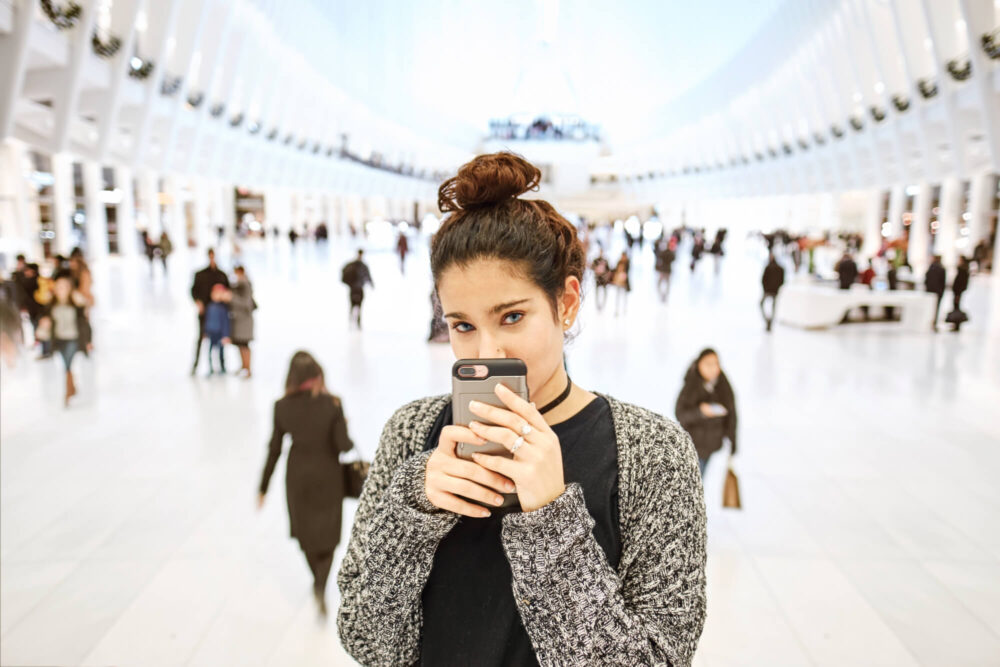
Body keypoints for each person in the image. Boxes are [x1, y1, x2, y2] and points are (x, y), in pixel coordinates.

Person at [337, 152, 707, 665]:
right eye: (462, 325)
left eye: (512, 316)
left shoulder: (653, 454)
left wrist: (551, 519)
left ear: (567, 302)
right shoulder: (411, 434)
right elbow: (367, 640)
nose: (486, 353)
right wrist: (412, 511)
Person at [259, 351, 354, 618]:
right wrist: (344, 425)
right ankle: (321, 583)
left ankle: (316, 578)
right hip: (328, 477)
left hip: (298, 478)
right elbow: (343, 446)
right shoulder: (332, 404)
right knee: (329, 535)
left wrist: (263, 486)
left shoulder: (281, 406)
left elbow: (274, 449)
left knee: (305, 536)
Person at [675, 349, 738, 477]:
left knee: (700, 479)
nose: (713, 368)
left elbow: (732, 414)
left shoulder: (723, 385)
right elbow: (680, 413)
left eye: (716, 364)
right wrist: (701, 412)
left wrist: (732, 440)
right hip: (692, 446)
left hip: (711, 445)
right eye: (708, 364)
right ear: (699, 365)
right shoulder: (691, 385)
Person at [36, 271, 91, 407]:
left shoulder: (76, 303)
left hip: (73, 337)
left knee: (68, 363)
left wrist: (89, 341)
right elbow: (43, 320)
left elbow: (85, 323)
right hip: (58, 339)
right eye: (58, 287)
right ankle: (71, 388)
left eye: (64, 287)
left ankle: (69, 391)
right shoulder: (51, 305)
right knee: (65, 365)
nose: (61, 290)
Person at [190, 249, 230, 374]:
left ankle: (222, 366)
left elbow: (228, 291)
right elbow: (193, 290)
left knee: (220, 340)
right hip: (205, 313)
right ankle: (195, 365)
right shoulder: (200, 274)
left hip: (219, 312)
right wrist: (198, 302)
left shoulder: (221, 275)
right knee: (201, 338)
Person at [229, 265, 256, 377]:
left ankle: (248, 369)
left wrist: (232, 299)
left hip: (245, 321)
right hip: (238, 321)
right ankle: (243, 366)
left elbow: (247, 304)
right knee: (240, 344)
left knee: (245, 345)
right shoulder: (238, 286)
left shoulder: (246, 286)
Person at [341, 249, 373, 329]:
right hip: (358, 288)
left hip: (352, 288)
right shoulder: (363, 265)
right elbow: (368, 276)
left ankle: (352, 320)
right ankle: (357, 321)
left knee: (352, 305)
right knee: (358, 305)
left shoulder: (350, 264)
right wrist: (371, 284)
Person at [203, 284, 230, 375]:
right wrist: (205, 332)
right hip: (211, 332)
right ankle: (211, 368)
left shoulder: (223, 308)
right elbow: (207, 320)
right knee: (210, 351)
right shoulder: (210, 306)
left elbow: (225, 322)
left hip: (219, 333)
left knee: (221, 352)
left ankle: (222, 367)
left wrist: (225, 335)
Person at [760, 253, 785, 332]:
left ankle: (769, 320)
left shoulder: (769, 268)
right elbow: (782, 281)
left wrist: (766, 289)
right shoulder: (780, 269)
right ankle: (769, 320)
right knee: (772, 307)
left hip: (769, 291)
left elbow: (763, 280)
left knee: (763, 304)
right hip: (773, 291)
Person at [924, 255, 946, 332]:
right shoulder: (942, 268)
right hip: (938, 292)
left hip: (930, 291)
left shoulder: (931, 268)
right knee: (935, 309)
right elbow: (943, 282)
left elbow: (926, 279)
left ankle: (928, 322)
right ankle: (933, 323)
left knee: (929, 308)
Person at [949, 255, 970, 332]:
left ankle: (956, 324)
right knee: (955, 307)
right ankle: (955, 324)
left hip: (958, 293)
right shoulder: (962, 270)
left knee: (957, 307)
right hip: (957, 292)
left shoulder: (963, 271)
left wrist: (958, 293)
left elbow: (962, 284)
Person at [654, 238, 676, 302]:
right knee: (667, 283)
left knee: (661, 282)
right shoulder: (670, 253)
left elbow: (660, 257)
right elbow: (673, 259)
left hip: (664, 270)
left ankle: (662, 293)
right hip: (667, 270)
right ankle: (664, 293)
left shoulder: (663, 252)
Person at [611, 250, 631, 316]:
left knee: (624, 296)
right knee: (618, 295)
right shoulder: (619, 262)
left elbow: (628, 272)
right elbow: (615, 270)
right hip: (618, 281)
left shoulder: (627, 263)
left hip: (624, 282)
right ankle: (617, 310)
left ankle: (624, 309)